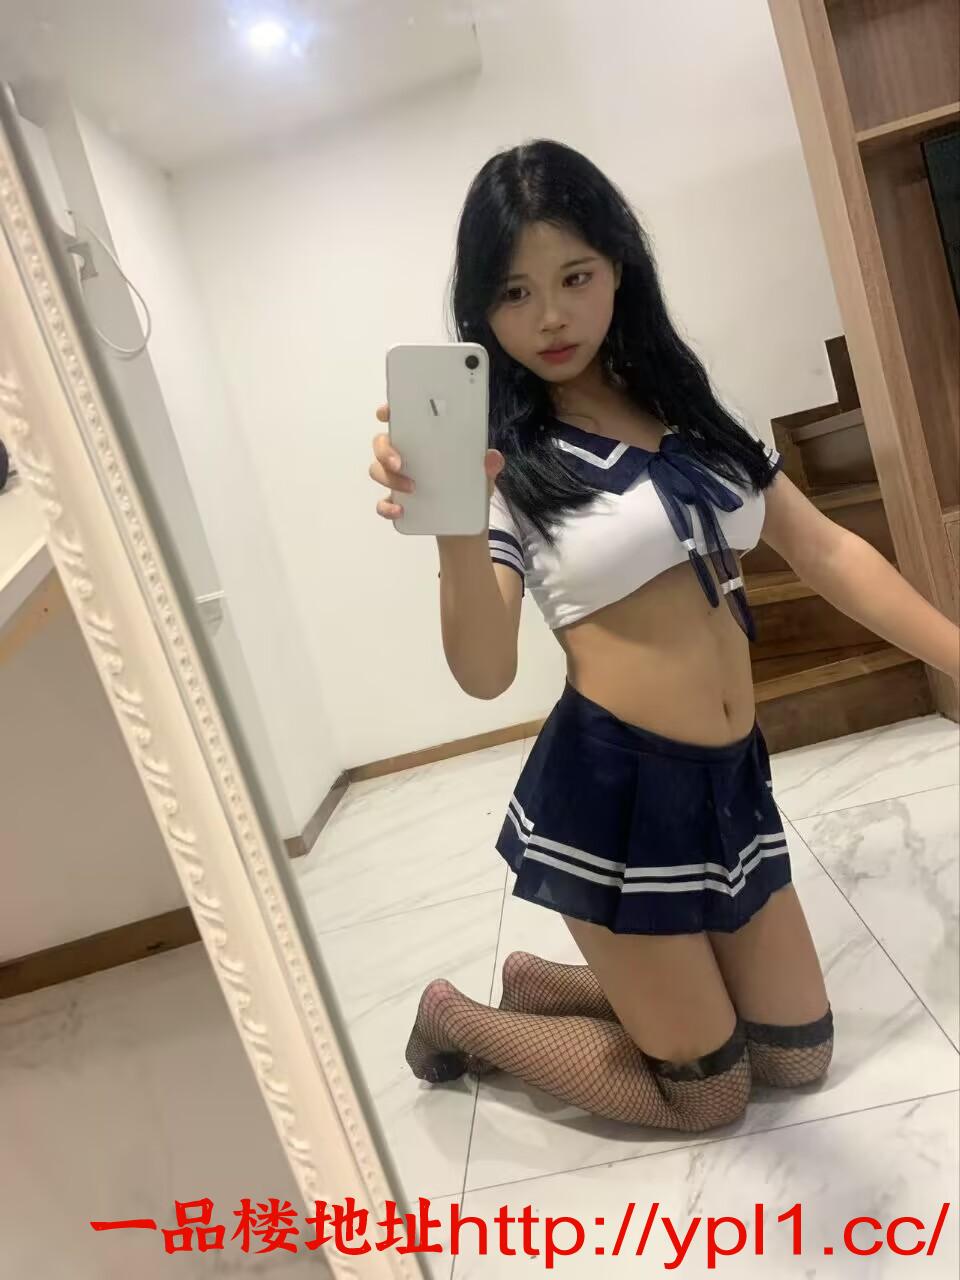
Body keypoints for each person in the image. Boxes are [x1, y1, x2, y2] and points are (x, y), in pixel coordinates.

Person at [368, 140, 960, 1131]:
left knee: (797, 1057)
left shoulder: (690, 407)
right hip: (610, 796)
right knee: (710, 1094)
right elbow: (483, 672)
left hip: (728, 781)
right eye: (514, 293)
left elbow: (825, 551)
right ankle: (461, 1015)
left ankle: (550, 980)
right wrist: (456, 523)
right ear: (482, 311)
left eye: (574, 277)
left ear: (618, 266)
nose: (550, 317)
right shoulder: (502, 460)